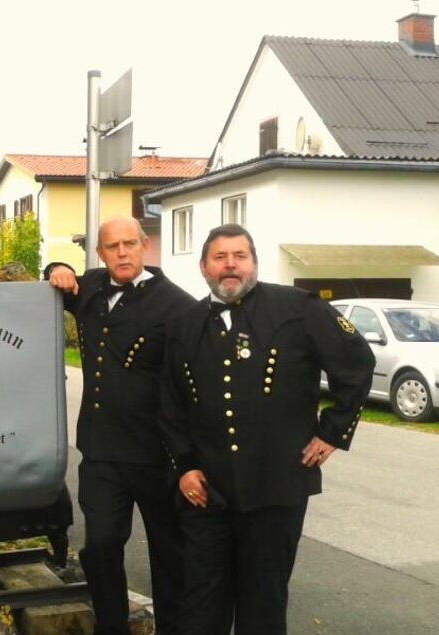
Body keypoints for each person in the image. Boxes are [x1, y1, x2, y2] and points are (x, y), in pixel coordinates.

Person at [158, 224, 375, 635]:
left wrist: (333, 432)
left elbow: (357, 361)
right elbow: (171, 404)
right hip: (206, 491)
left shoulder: (298, 308)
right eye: (220, 257)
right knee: (202, 604)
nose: (230, 265)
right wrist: (184, 465)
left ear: (253, 263)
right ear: (204, 267)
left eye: (239, 256)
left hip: (277, 487)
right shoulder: (183, 323)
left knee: (264, 602)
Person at [45, 217, 196, 635]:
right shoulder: (91, 286)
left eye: (130, 244)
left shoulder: (178, 305)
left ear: (145, 246)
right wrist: (56, 268)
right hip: (100, 453)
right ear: (100, 253)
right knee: (102, 546)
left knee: (169, 553)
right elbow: (60, 278)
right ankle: (111, 626)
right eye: (113, 246)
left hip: (156, 454)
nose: (123, 252)